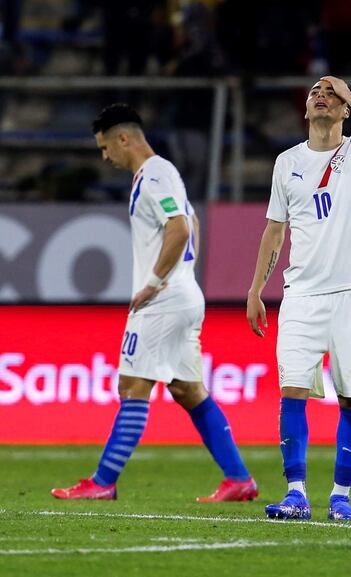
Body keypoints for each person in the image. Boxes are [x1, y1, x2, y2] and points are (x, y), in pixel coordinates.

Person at [52, 104, 257, 502]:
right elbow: (191, 221)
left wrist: (155, 281)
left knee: (132, 384)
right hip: (181, 293)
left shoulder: (156, 174)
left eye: (105, 147)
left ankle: (102, 482)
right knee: (188, 391)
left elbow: (180, 228)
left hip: (163, 300)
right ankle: (239, 479)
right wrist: (183, 275)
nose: (104, 156)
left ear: (124, 138)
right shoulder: (160, 175)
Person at [246, 76, 351, 521]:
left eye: (330, 94)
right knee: (292, 392)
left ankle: (341, 496)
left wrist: (346, 90)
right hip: (301, 294)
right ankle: (296, 493)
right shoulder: (286, 162)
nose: (321, 96)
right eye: (314, 93)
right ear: (305, 111)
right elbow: (275, 229)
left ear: (345, 109)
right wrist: (255, 289)